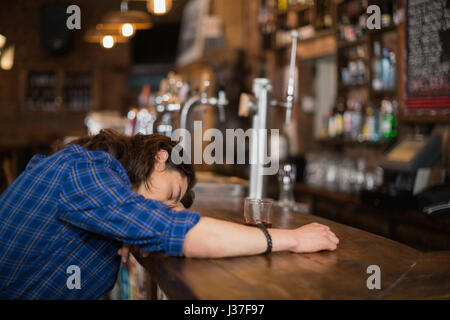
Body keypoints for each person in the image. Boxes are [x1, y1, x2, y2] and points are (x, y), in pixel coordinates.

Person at [0, 130, 339, 299]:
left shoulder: (105, 189)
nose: (168, 207)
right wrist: (291, 238)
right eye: (173, 194)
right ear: (160, 157)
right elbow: (178, 231)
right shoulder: (87, 168)